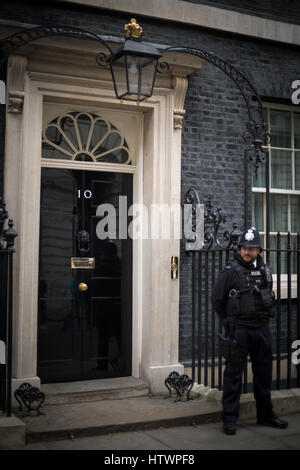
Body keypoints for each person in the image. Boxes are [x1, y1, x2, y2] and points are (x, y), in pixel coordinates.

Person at [211, 227, 288, 435]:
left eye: (251, 248)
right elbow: (217, 299)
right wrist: (228, 321)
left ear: (259, 250)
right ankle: (229, 418)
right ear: (240, 248)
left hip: (261, 328)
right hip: (240, 330)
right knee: (233, 375)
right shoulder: (230, 271)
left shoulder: (264, 270)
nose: (247, 252)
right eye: (244, 247)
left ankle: (265, 415)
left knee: (263, 375)